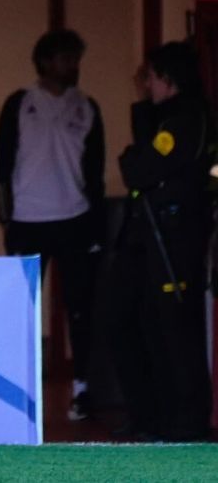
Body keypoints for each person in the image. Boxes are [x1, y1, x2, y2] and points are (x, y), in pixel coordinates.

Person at [0, 29, 105, 419]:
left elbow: (96, 170)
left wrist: (96, 225)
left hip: (75, 219)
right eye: (64, 59)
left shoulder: (88, 107)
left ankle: (82, 390)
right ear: (45, 62)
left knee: (80, 307)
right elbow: (1, 165)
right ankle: (17, 389)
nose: (72, 66)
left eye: (76, 59)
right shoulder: (20, 103)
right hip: (27, 220)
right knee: (22, 309)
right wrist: (6, 217)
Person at [107, 41, 214, 441]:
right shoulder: (165, 115)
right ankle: (148, 415)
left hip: (172, 238)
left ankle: (184, 422)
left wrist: (133, 156)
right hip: (144, 236)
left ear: (168, 79)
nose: (145, 85)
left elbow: (142, 168)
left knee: (173, 330)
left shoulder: (186, 118)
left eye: (150, 77)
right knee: (128, 322)